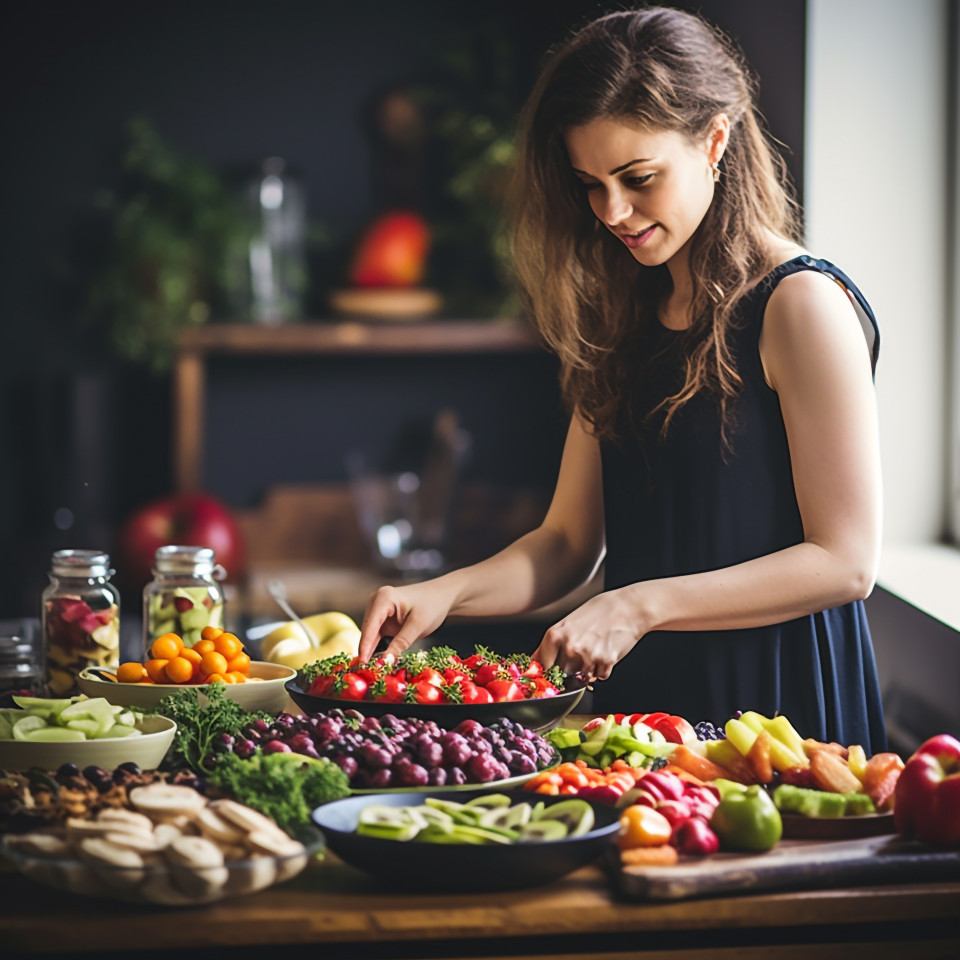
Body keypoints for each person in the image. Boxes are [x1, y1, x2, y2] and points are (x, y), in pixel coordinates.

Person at [357, 6, 886, 753]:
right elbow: (569, 542)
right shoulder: (623, 314)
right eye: (590, 184)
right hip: (645, 719)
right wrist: (445, 593)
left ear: (715, 140)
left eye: (638, 178)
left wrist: (638, 607)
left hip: (781, 718)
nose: (612, 211)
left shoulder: (799, 304)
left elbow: (846, 560)